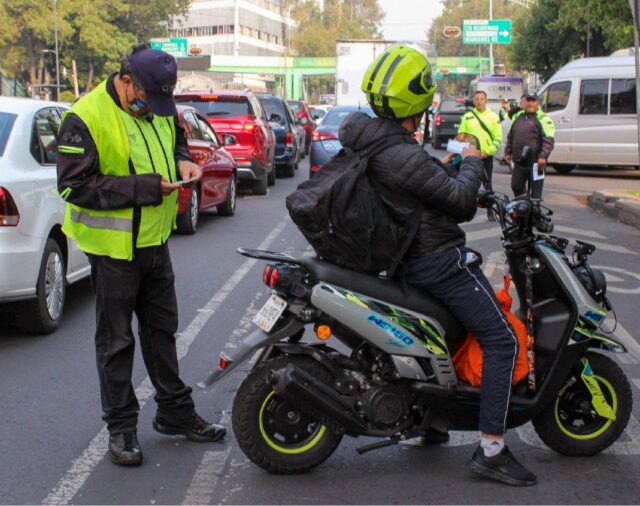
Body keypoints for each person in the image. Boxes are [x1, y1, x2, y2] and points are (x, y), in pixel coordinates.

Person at [353, 45, 536, 486]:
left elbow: (419, 181)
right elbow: (457, 203)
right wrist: (472, 163)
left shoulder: (381, 141)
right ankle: (492, 448)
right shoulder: (398, 151)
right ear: (417, 99)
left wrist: (447, 165)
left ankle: (431, 421)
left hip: (408, 256)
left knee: (449, 333)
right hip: (436, 260)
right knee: (501, 338)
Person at [56, 44, 226, 467]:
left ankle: (173, 412)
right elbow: (74, 187)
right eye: (148, 97)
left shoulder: (155, 103)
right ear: (127, 80)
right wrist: (148, 188)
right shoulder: (85, 115)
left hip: (154, 241)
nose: (154, 107)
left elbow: (176, 141)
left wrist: (185, 164)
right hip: (113, 249)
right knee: (116, 342)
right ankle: (121, 427)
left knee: (162, 331)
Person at [457, 90, 502, 220]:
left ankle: (490, 211)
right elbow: (461, 136)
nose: (479, 101)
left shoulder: (493, 116)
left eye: (482, 99)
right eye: (476, 99)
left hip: (486, 156)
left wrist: (488, 151)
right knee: (469, 182)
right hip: (471, 157)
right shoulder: (468, 116)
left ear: (486, 101)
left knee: (488, 184)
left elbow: (498, 138)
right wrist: (470, 151)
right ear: (474, 101)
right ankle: (468, 210)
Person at [505, 92, 555, 199]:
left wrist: (543, 156)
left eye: (533, 101)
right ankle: (524, 209)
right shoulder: (518, 116)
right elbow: (511, 136)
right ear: (524, 102)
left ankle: (534, 213)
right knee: (516, 186)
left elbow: (548, 141)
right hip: (520, 162)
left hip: (537, 163)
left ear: (538, 103)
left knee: (536, 193)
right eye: (528, 100)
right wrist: (507, 153)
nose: (530, 103)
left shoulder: (544, 119)